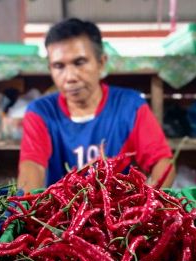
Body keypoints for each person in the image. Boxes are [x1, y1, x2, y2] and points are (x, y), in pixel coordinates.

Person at [17, 18, 175, 192]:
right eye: (58, 66)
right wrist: (27, 206)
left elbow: (161, 161)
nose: (70, 77)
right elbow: (32, 165)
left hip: (119, 211)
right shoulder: (41, 112)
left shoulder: (130, 105)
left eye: (79, 62)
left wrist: (149, 198)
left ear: (101, 63)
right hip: (62, 213)